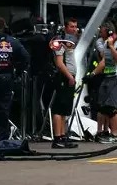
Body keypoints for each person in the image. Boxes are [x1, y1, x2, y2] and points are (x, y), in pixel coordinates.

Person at [49, 19, 80, 149]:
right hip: (63, 77)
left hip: (69, 77)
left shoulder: (70, 42)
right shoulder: (60, 42)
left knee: (64, 110)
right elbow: (59, 62)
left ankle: (62, 136)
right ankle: (57, 138)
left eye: (75, 27)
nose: (74, 29)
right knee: (58, 108)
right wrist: (69, 76)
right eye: (72, 27)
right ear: (65, 27)